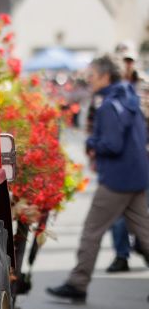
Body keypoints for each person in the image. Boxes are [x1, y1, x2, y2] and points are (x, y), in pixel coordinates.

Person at [47, 55, 149, 303]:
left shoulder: (108, 105)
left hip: (116, 180)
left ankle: (77, 283)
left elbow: (112, 145)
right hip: (136, 175)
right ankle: (77, 283)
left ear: (105, 76)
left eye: (92, 76)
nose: (88, 80)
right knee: (145, 234)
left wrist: (92, 143)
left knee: (91, 232)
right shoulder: (130, 97)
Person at [106, 42, 149, 272]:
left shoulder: (144, 86)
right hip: (117, 159)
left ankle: (142, 244)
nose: (126, 65)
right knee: (117, 212)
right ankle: (121, 255)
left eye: (129, 60)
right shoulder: (107, 88)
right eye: (122, 61)